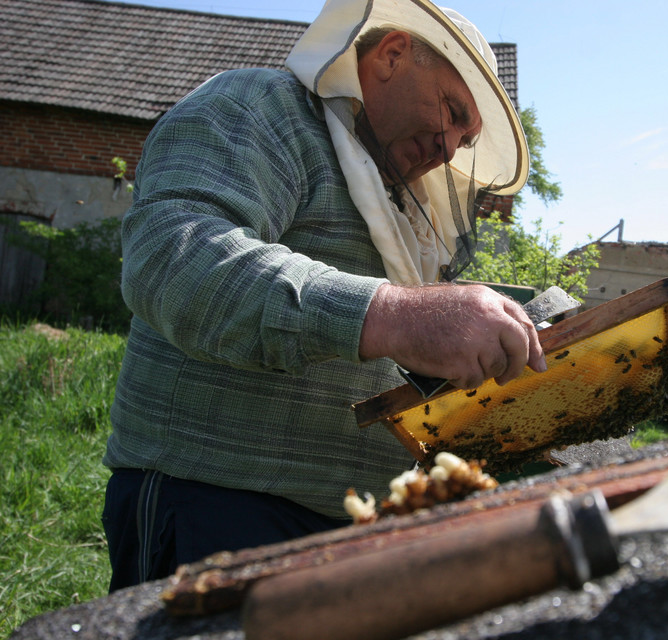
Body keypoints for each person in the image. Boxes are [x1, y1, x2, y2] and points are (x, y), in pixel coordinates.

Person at [101, 0, 542, 591]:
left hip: (347, 527)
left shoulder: (400, 201)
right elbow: (171, 257)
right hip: (215, 504)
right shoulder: (262, 110)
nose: (450, 148)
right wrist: (394, 314)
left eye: (465, 139)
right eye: (453, 112)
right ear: (390, 56)